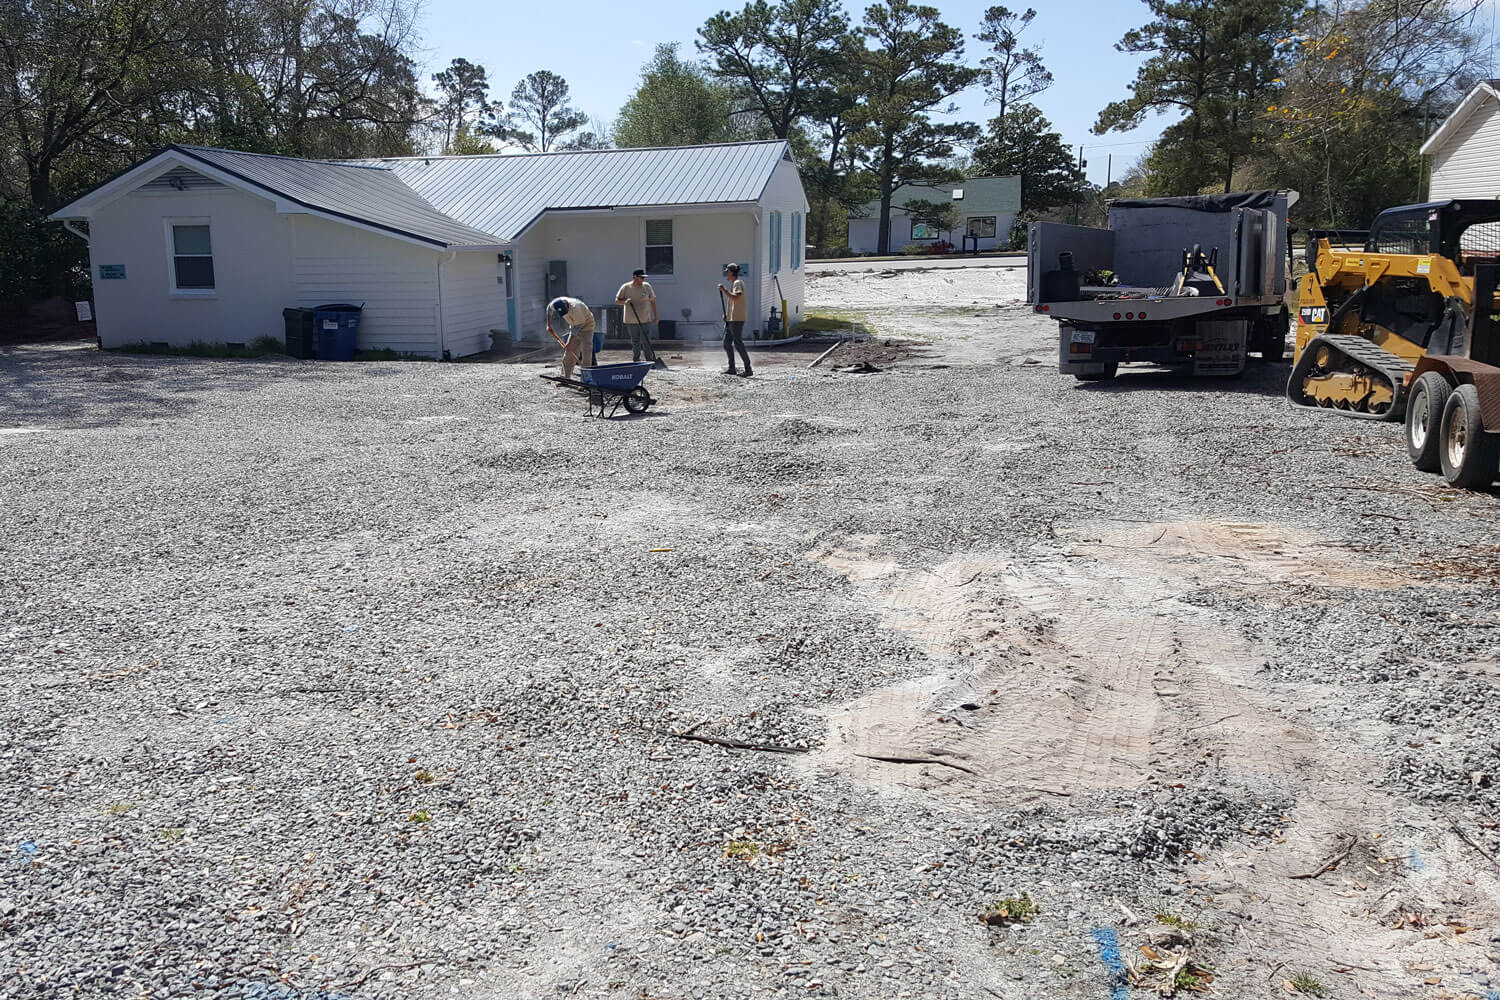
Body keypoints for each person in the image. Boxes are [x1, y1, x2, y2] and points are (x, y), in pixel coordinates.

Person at [615, 269, 659, 363]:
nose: (642, 280)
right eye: (641, 277)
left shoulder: (647, 287)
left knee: (646, 341)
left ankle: (649, 360)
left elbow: (653, 302)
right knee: (635, 341)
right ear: (634, 277)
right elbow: (617, 300)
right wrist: (625, 302)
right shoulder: (626, 287)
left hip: (645, 319)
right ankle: (636, 360)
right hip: (631, 320)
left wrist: (656, 316)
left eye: (643, 278)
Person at [547, 297, 595, 379]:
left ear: (566, 304)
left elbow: (576, 329)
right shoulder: (554, 304)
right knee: (569, 354)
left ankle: (586, 380)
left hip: (587, 327)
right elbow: (549, 309)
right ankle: (565, 378)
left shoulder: (577, 308)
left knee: (586, 354)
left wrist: (568, 344)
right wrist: (549, 325)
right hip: (574, 326)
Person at [718, 263, 752, 377]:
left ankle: (748, 369)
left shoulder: (738, 283)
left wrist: (724, 290)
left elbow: (736, 297)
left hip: (737, 319)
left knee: (738, 343)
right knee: (727, 343)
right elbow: (733, 302)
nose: (726, 274)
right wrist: (727, 315)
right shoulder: (734, 283)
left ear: (732, 272)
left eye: (727, 272)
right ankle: (732, 368)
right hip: (732, 319)